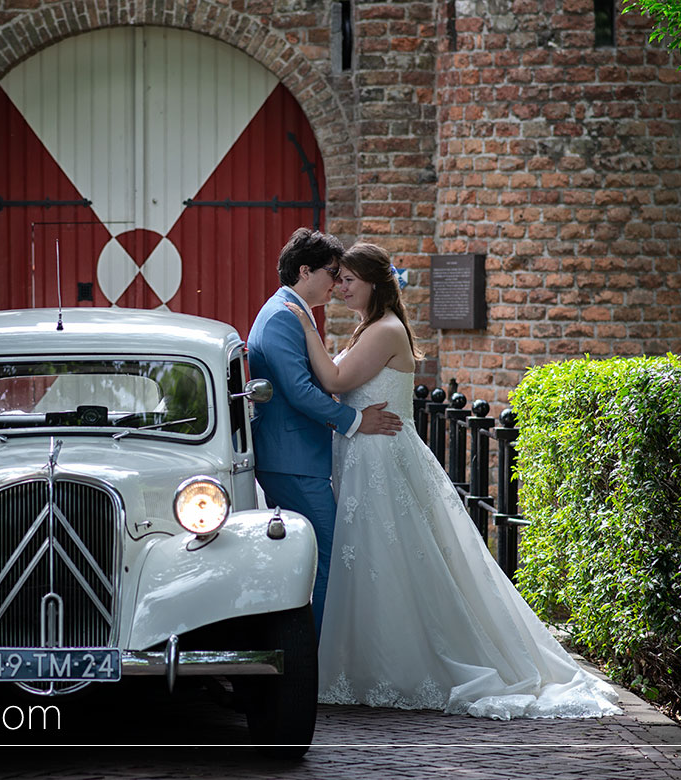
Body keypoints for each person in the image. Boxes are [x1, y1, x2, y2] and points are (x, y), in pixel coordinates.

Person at [285, 242, 622, 720]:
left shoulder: (384, 329)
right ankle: (366, 659)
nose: (340, 287)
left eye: (348, 281)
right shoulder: (371, 327)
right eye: (338, 280)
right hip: (366, 453)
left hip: (382, 458)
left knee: (391, 554)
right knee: (375, 557)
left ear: (375, 284)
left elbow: (337, 381)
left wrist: (304, 328)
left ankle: (406, 662)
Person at [248, 228, 402, 635]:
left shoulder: (288, 310)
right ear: (305, 271)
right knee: (332, 554)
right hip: (292, 457)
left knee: (319, 555)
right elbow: (298, 391)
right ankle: (316, 658)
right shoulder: (283, 315)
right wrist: (354, 420)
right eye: (332, 273)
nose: (336, 283)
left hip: (299, 456)